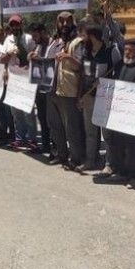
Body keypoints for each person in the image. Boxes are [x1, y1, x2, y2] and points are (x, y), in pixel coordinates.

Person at [96, 39, 135, 189]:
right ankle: (122, 172)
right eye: (126, 50)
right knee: (119, 144)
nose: (127, 53)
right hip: (120, 114)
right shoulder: (120, 65)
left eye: (131, 50)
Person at [48, 16, 86, 170]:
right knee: (55, 125)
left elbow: (83, 67)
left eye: (68, 21)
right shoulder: (55, 42)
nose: (64, 24)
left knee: (71, 128)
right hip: (52, 89)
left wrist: (69, 57)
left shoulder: (78, 42)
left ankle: (76, 158)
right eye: (61, 21)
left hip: (68, 91)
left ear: (73, 23)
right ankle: (61, 154)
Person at [77, 22, 112, 172]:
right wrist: (80, 96)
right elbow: (82, 75)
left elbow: (118, 73)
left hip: (104, 97)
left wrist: (104, 81)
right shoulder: (85, 51)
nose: (82, 37)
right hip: (88, 96)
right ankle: (90, 160)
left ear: (92, 36)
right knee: (90, 131)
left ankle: (109, 165)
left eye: (85, 34)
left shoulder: (110, 51)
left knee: (107, 133)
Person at [2, 15, 37, 150]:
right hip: (13, 79)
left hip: (26, 78)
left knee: (28, 110)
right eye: (13, 25)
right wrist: (10, 54)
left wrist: (29, 62)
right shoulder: (8, 40)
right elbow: (2, 59)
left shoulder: (28, 38)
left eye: (17, 24)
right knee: (16, 111)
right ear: (10, 26)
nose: (15, 27)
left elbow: (35, 55)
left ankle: (32, 139)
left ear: (21, 25)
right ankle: (20, 138)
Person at [27, 22, 52, 154]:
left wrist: (40, 59)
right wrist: (30, 59)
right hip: (39, 88)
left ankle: (56, 146)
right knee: (42, 118)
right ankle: (46, 145)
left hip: (50, 89)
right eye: (33, 37)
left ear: (43, 32)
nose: (35, 40)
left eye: (36, 36)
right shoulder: (38, 46)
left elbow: (54, 62)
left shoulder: (54, 44)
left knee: (51, 119)